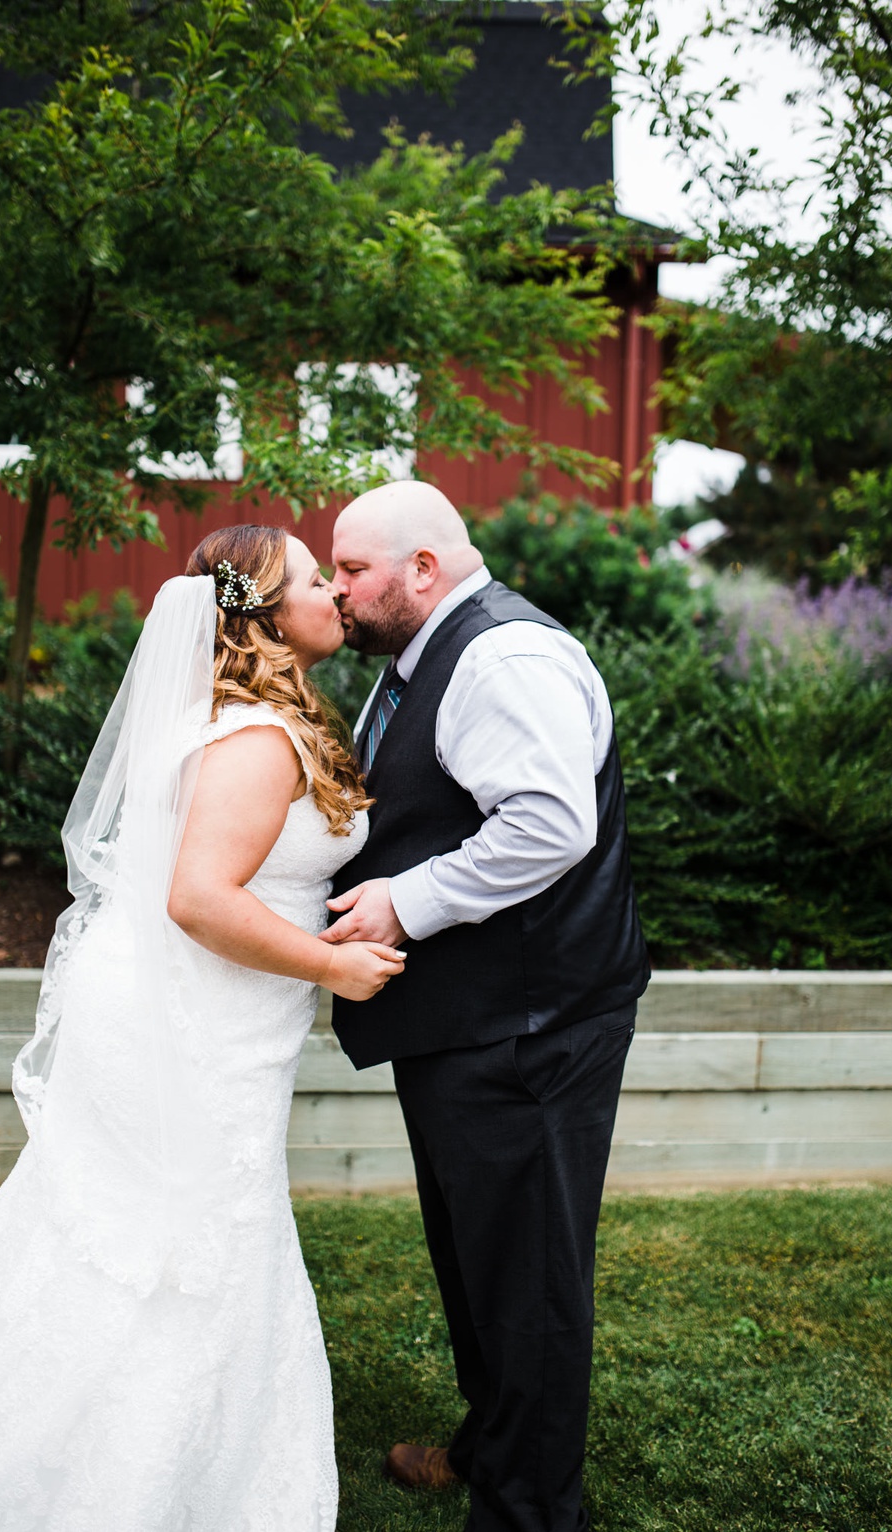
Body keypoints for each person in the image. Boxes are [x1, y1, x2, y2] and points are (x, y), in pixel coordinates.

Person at [0, 524, 405, 1531]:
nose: (334, 590)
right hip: (196, 1020)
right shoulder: (253, 736)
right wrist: (333, 964)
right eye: (314, 579)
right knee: (180, 1236)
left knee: (142, 1224)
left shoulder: (250, 715)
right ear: (269, 614)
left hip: (211, 1010)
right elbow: (199, 896)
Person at [322, 480, 650, 1532]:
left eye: (353, 570)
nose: (339, 590)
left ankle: (529, 1508)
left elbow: (549, 825)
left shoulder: (501, 656)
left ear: (423, 568)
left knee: (528, 1279)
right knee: (478, 1256)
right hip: (472, 1016)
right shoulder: (430, 655)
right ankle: (489, 1442)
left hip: (531, 1022)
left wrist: (402, 904)